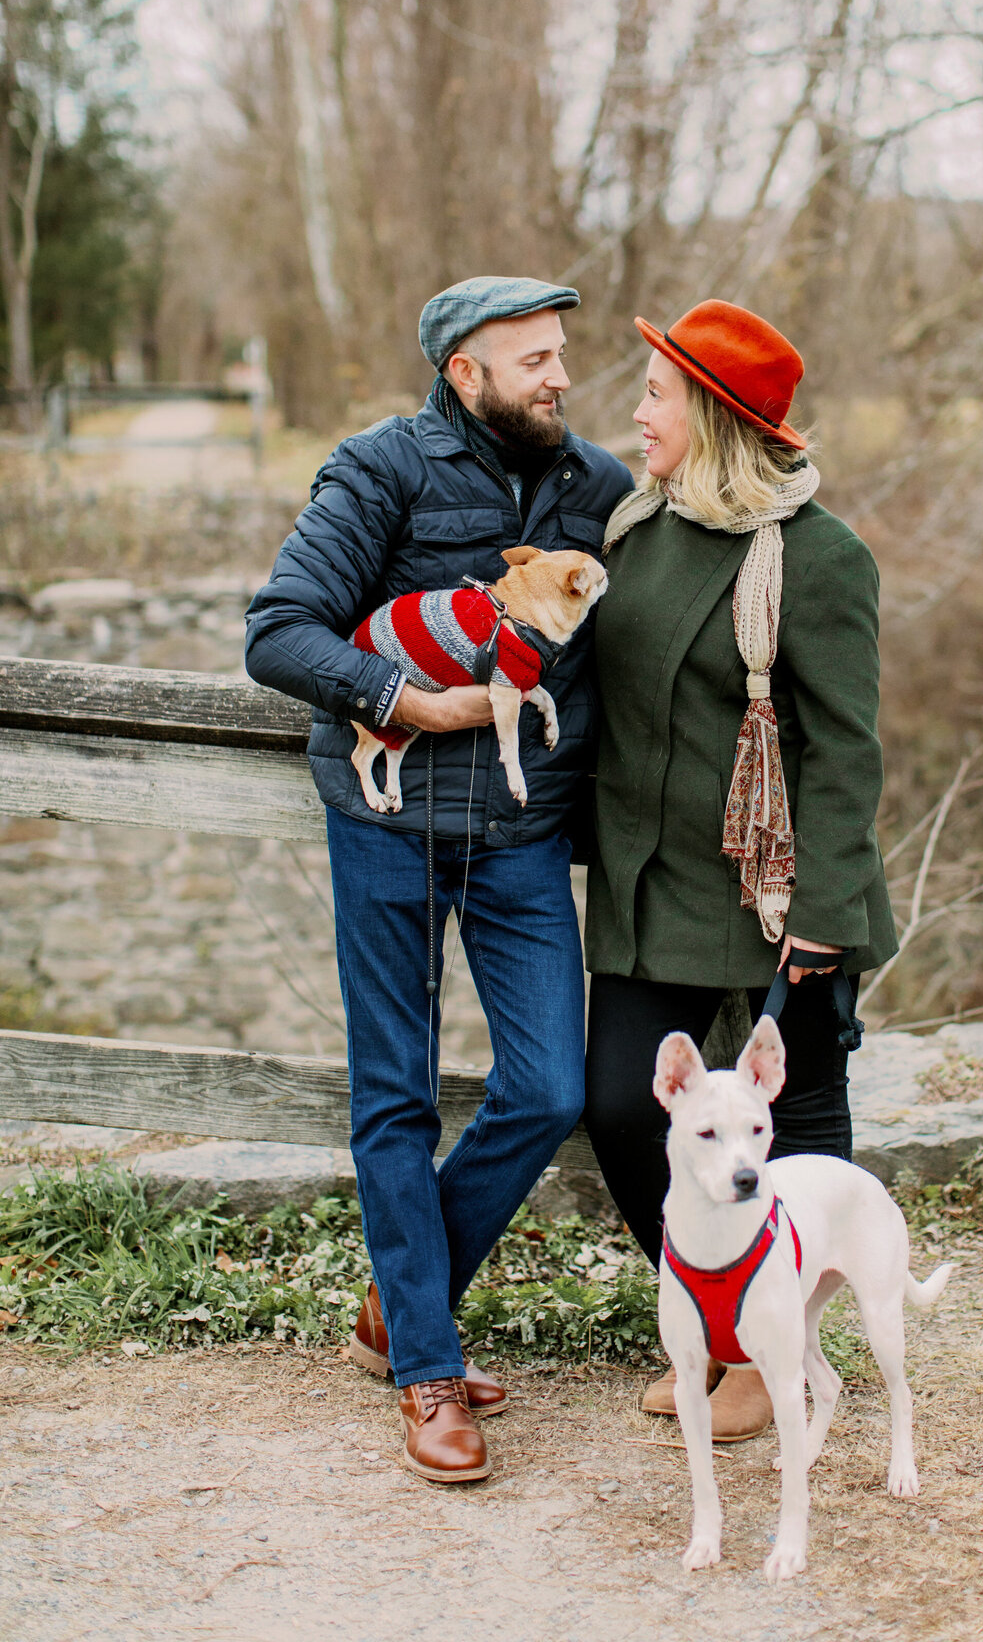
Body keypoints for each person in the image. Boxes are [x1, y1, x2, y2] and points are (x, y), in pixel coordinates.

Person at [245, 276, 633, 1483]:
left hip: (522, 832)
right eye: (533, 360)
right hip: (390, 826)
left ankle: (398, 1307)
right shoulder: (380, 470)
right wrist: (405, 700)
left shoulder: (597, 487)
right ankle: (426, 1365)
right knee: (396, 1096)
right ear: (465, 373)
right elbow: (279, 631)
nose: (560, 376)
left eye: (560, 353)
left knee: (550, 1087)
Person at [583, 299, 897, 1441]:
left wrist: (824, 914)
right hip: (653, 883)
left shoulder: (819, 560)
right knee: (620, 1105)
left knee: (797, 1124)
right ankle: (724, 1329)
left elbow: (848, 751)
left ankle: (777, 1354)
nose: (637, 412)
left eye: (657, 394)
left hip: (781, 895)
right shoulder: (636, 527)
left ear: (712, 419)